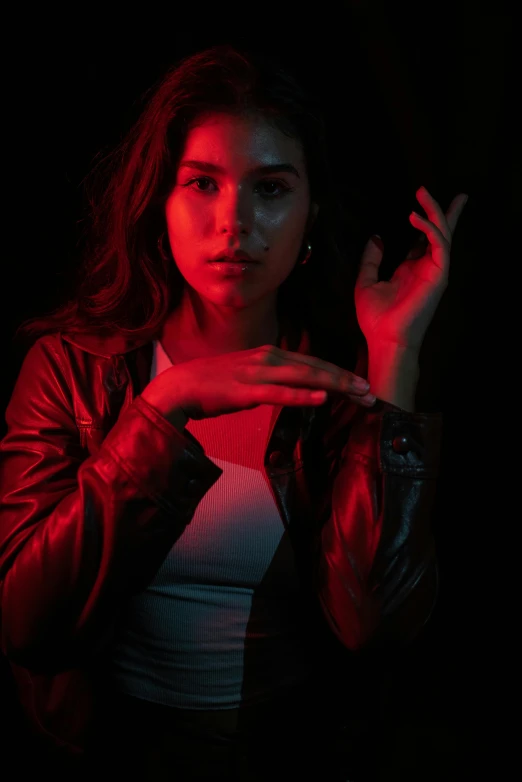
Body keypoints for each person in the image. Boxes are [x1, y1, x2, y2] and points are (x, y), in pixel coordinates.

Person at [0, 44, 467, 781]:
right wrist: (163, 408)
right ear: (160, 201)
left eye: (270, 189)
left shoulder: (344, 388)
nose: (235, 222)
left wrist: (392, 356)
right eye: (202, 184)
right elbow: (32, 626)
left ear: (311, 210)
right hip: (95, 757)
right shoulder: (71, 369)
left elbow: (374, 626)